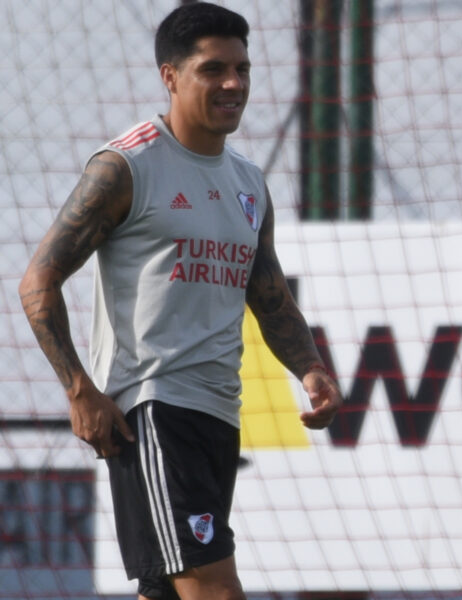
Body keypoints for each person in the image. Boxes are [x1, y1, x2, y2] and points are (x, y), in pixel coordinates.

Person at [18, 3, 341, 599]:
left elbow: (268, 295)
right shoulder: (126, 167)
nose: (233, 84)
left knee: (166, 592)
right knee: (214, 588)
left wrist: (311, 368)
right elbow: (38, 280)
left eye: (242, 69)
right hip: (154, 409)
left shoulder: (248, 182)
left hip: (217, 412)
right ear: (170, 76)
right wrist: (79, 389)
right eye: (213, 69)